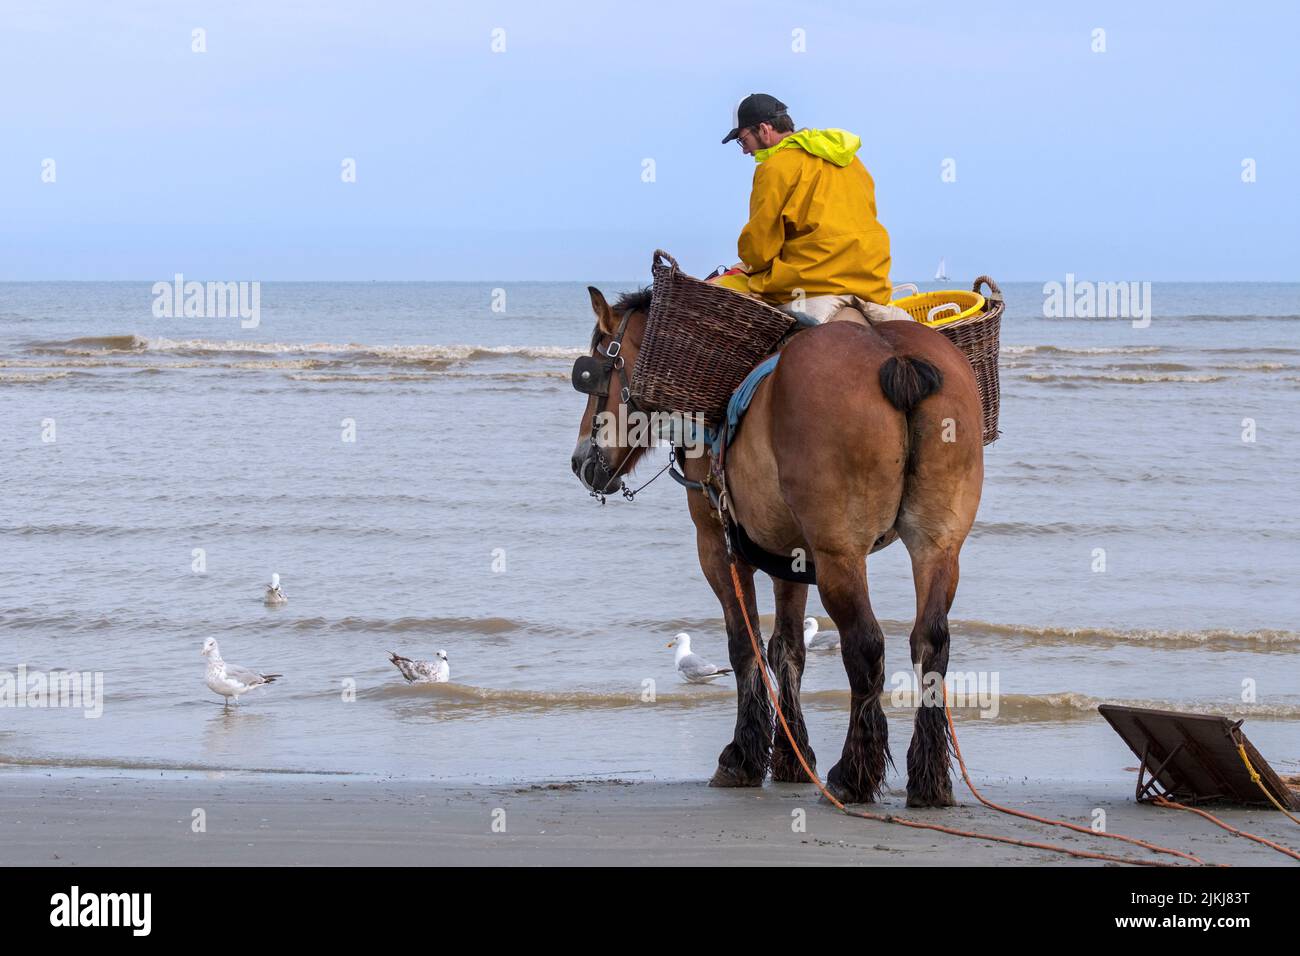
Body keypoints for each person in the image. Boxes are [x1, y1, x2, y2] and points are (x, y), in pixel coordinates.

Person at [719, 93, 911, 325]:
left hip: (812, 282)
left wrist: (746, 265)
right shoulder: (846, 157)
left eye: (743, 140)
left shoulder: (773, 168)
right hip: (871, 281)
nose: (744, 151)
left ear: (764, 129)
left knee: (713, 296)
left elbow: (760, 250)